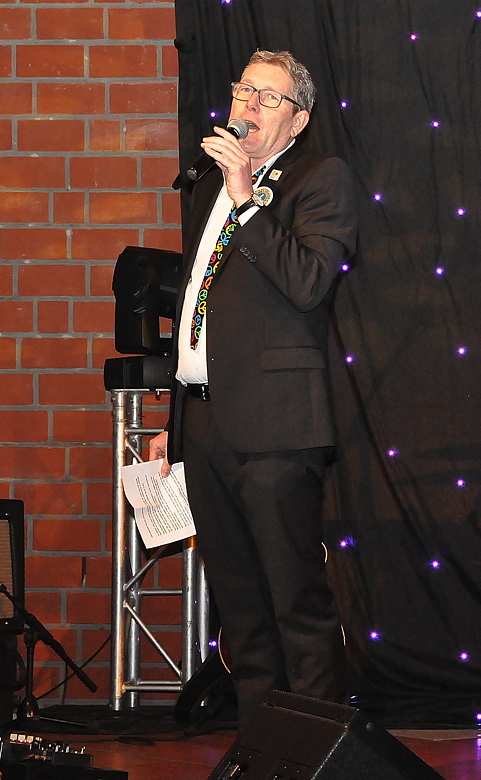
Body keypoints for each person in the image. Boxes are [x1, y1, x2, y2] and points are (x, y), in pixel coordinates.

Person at [147, 50, 358, 721]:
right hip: (206, 424)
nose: (249, 106)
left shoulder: (320, 178)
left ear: (298, 120)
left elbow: (308, 283)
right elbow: (201, 309)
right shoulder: (208, 188)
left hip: (277, 426)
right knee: (240, 610)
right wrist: (177, 422)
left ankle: (317, 749)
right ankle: (261, 749)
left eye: (269, 97)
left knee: (295, 600)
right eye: (243, 91)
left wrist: (247, 198)